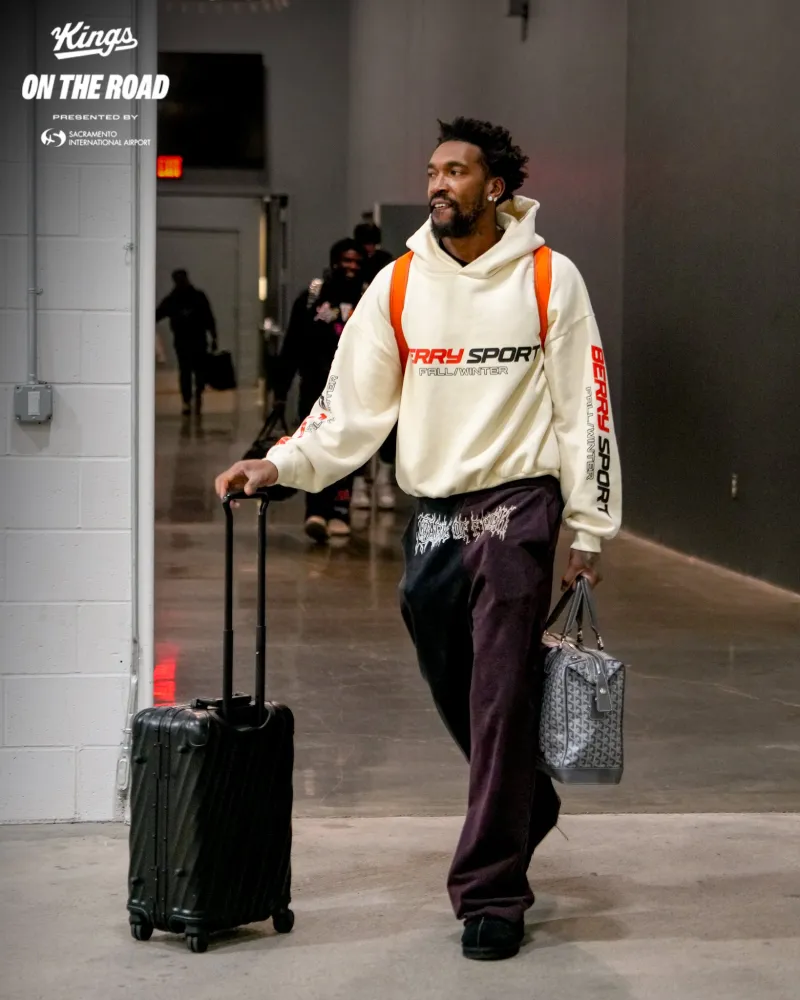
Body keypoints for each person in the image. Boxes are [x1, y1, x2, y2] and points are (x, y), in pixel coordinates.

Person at [216, 117, 622, 961]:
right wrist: (279, 463)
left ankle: (492, 893)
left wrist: (587, 527)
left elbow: (586, 410)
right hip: (435, 507)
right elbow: (347, 408)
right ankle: (526, 796)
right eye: (433, 171)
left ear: (495, 187)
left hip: (519, 500)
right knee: (448, 663)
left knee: (502, 690)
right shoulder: (398, 285)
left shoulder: (550, 278)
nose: (438, 183)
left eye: (457, 171)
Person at [271, 238, 365, 542]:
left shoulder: (368, 298)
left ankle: (340, 511)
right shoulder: (313, 297)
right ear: (334, 261)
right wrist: (280, 391)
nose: (351, 267)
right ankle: (316, 512)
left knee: (348, 452)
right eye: (346, 260)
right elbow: (291, 346)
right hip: (314, 389)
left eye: (357, 261)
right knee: (315, 448)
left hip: (354, 391)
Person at [351, 222, 397, 511]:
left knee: (390, 422)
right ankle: (359, 482)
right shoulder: (352, 266)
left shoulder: (386, 265)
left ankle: (383, 479)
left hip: (386, 348)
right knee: (359, 420)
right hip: (359, 350)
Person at [156, 269, 217, 416]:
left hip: (186, 341)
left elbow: (157, 314)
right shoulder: (193, 297)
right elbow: (209, 318)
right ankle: (192, 398)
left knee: (188, 372)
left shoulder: (175, 299)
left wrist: (214, 336)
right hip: (194, 340)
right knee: (192, 372)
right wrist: (214, 337)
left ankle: (189, 400)